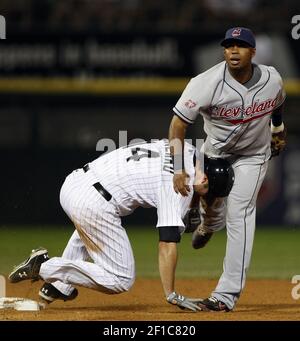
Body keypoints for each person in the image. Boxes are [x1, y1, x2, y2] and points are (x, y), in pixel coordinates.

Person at [8, 139, 209, 312]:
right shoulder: (180, 186)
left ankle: (58, 286)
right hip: (93, 202)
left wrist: (193, 205)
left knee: (92, 231)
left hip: (76, 183)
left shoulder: (186, 148)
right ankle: (43, 266)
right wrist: (171, 293)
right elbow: (167, 243)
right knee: (121, 278)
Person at [168, 27, 287, 311]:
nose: (233, 51)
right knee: (213, 209)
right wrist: (177, 168)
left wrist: (278, 129)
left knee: (241, 214)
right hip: (215, 154)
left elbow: (278, 103)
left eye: (241, 46)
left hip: (253, 156)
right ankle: (209, 223)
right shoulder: (205, 83)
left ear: (253, 52)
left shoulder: (272, 78)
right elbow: (177, 125)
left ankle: (225, 295)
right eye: (229, 46)